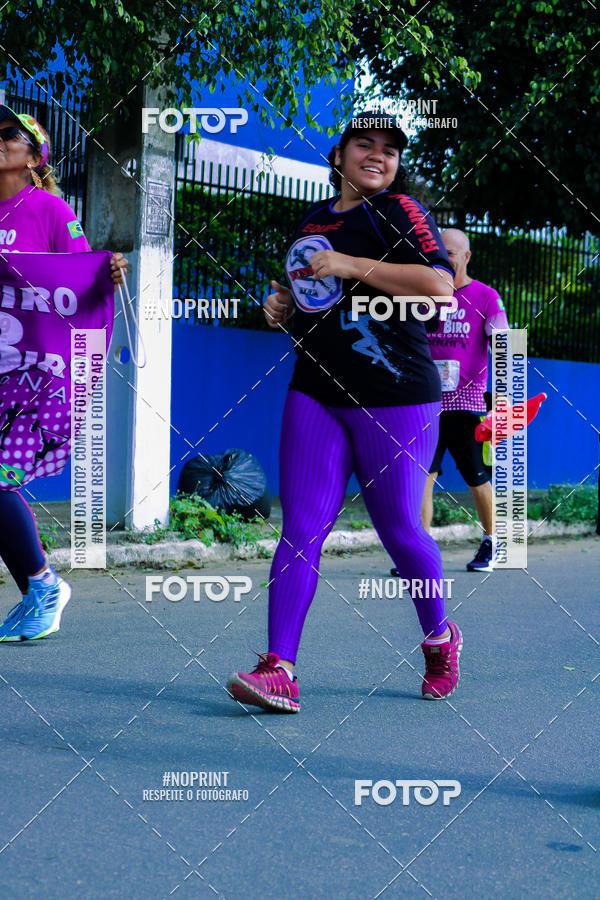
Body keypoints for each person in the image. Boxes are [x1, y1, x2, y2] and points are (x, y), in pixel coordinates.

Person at [228, 112, 463, 713]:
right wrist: (281, 306)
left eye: (390, 149)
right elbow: (309, 296)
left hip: (396, 396)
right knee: (300, 530)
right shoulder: (312, 222)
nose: (378, 155)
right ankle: (280, 668)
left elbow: (439, 285)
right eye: (365, 144)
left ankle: (440, 638)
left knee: (401, 531)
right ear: (338, 155)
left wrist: (351, 265)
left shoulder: (400, 211)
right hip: (316, 390)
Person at [0, 105, 126, 641]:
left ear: (34, 157)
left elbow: (80, 278)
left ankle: (43, 585)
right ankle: (39, 587)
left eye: (9, 134)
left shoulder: (49, 209)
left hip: (38, 372)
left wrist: (107, 272)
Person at [422, 228, 509, 571]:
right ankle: (421, 550)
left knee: (476, 477)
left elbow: (503, 348)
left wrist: (501, 400)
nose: (444, 258)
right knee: (422, 477)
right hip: (427, 404)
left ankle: (492, 542)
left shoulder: (486, 296)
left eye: (451, 252)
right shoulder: (424, 296)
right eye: (438, 252)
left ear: (467, 257)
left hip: (468, 406)